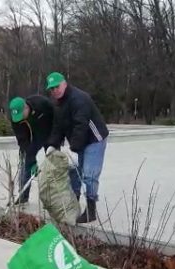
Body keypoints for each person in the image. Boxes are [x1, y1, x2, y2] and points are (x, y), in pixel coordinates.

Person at [45, 72, 109, 224]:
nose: (55, 91)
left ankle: (91, 210)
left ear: (64, 83)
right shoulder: (57, 103)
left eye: (57, 86)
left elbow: (81, 125)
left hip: (94, 138)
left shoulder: (79, 98)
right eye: (52, 89)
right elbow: (58, 127)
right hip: (78, 139)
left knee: (89, 174)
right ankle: (73, 205)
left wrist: (73, 149)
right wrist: (52, 145)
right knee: (74, 172)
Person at [8, 95, 55, 205]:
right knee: (25, 164)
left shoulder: (42, 103)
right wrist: (32, 161)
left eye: (21, 115)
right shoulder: (15, 119)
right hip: (32, 139)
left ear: (26, 108)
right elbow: (22, 140)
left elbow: (57, 118)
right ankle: (23, 197)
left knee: (54, 164)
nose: (20, 118)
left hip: (50, 135)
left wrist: (56, 140)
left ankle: (54, 198)